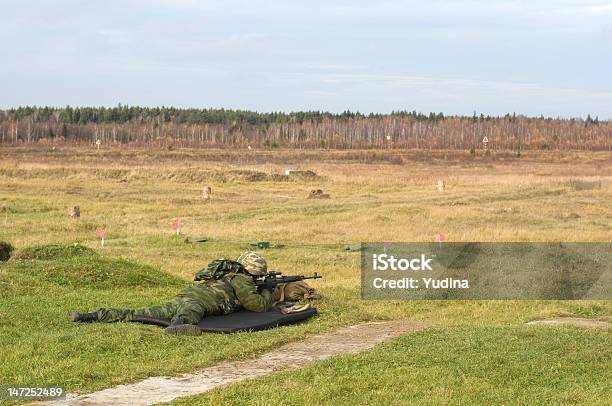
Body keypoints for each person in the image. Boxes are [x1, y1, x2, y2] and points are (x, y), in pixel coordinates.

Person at [69, 251, 274, 336]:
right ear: (256, 271)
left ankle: (93, 315)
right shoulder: (242, 279)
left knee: (141, 312)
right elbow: (257, 305)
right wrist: (267, 291)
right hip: (199, 301)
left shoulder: (225, 272)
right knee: (188, 315)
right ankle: (177, 327)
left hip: (185, 295)